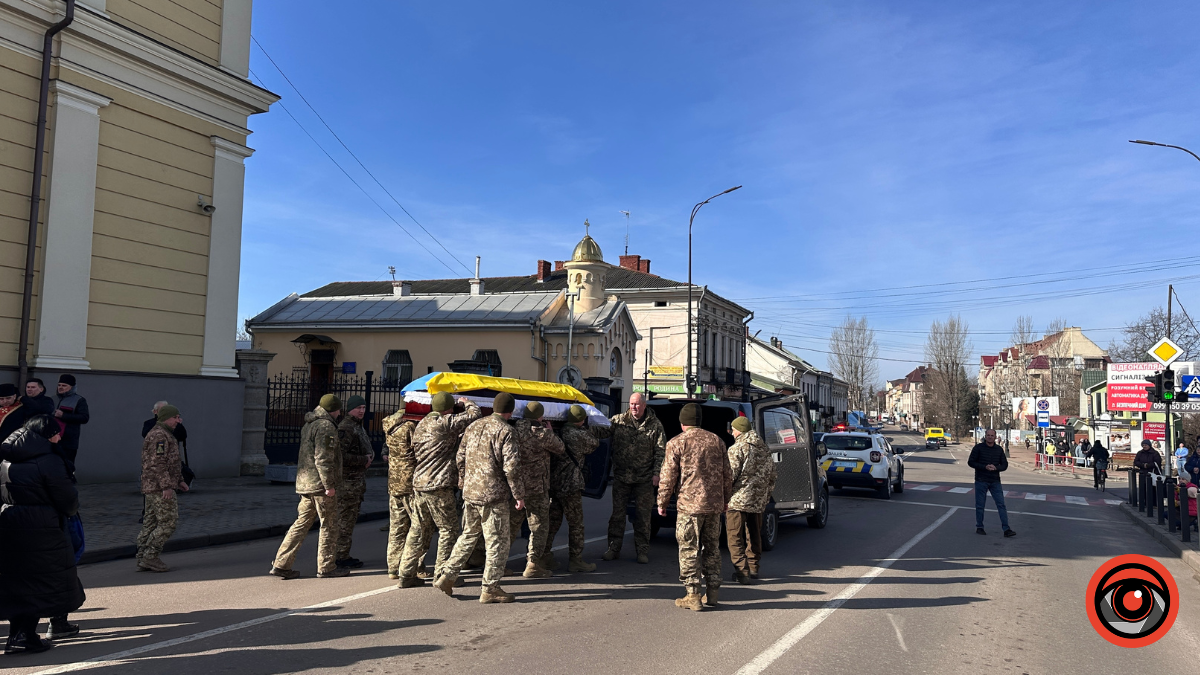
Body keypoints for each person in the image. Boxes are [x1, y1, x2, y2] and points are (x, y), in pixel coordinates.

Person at [0, 416, 86, 654]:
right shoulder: (49, 460)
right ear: (47, 435)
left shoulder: (8, 458)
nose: (60, 437)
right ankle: (24, 636)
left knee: (19, 582)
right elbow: (67, 499)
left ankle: (18, 635)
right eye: (56, 433)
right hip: (43, 527)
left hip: (10, 522)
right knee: (42, 582)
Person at [434, 392, 525, 603]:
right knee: (497, 542)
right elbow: (511, 468)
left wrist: (464, 482)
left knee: (468, 535)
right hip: (493, 495)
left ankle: (447, 575)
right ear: (510, 411)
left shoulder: (473, 426)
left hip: (471, 493)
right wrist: (519, 495)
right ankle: (490, 588)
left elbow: (460, 457)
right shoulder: (506, 431)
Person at [396, 393, 479, 587]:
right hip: (438, 485)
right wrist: (468, 403)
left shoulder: (422, 424)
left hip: (419, 483)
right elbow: (473, 415)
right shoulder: (443, 422)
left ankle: (406, 574)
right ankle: (443, 574)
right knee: (448, 529)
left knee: (418, 530)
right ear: (448, 410)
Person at [658, 403, 732, 611]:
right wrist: (726, 499)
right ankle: (714, 592)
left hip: (689, 506)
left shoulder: (677, 443)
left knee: (689, 548)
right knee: (712, 548)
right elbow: (728, 475)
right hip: (714, 505)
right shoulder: (717, 441)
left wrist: (662, 502)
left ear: (683, 422)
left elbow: (668, 476)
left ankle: (693, 594)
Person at [270, 395, 345, 579]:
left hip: (305, 483)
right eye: (338, 410)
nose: (339, 413)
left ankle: (281, 563)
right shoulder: (326, 426)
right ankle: (327, 567)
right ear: (334, 410)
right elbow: (323, 458)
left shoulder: (309, 423)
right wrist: (329, 485)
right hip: (320, 485)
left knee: (301, 523)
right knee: (329, 524)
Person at [600, 392, 666, 564]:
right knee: (617, 515)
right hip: (622, 477)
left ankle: (642, 550)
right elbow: (601, 431)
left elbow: (660, 451)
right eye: (631, 404)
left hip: (644, 478)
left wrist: (656, 473)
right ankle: (613, 548)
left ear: (644, 405)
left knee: (643, 516)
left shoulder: (655, 425)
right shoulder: (618, 421)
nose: (634, 408)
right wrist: (585, 422)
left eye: (637, 404)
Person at [510, 401, 565, 579]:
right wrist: (549, 430)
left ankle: (498, 562)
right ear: (540, 416)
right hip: (537, 488)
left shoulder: (514, 429)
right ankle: (533, 563)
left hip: (517, 487)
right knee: (539, 526)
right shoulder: (541, 433)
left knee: (511, 525)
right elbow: (560, 447)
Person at [542, 405, 599, 574]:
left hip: (555, 483)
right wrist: (586, 429)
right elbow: (594, 444)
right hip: (571, 485)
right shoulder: (578, 435)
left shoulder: (557, 432)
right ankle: (576, 560)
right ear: (580, 420)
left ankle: (544, 555)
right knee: (576, 524)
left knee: (552, 521)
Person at [135, 405, 189, 571]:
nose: (179, 421)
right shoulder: (160, 435)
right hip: (159, 488)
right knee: (168, 522)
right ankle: (150, 556)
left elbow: (171, 462)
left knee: (150, 524)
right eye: (176, 417)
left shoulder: (164, 434)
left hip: (152, 487)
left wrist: (179, 480)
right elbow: (158, 463)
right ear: (167, 417)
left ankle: (142, 557)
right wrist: (166, 486)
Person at [726, 415, 776, 584]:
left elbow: (729, 476)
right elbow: (772, 476)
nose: (732, 433)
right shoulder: (764, 448)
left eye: (733, 430)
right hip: (758, 501)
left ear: (739, 430)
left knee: (735, 536)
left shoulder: (737, 449)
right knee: (754, 534)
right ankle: (754, 567)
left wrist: (723, 497)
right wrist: (765, 495)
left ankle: (742, 572)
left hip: (737, 501)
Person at [382, 402, 427, 582]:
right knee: (417, 526)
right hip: (410, 482)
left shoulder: (389, 424)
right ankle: (414, 567)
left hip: (394, 481)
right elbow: (420, 452)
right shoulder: (410, 426)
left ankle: (393, 566)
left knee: (397, 527)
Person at [334, 395, 373, 569]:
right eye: (359, 408)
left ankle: (343, 553)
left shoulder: (358, 426)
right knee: (344, 520)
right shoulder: (346, 427)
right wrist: (362, 459)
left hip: (356, 482)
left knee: (349, 520)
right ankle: (339, 556)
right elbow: (339, 456)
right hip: (347, 483)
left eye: (364, 408)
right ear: (349, 409)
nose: (362, 411)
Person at [967, 429, 1014, 537]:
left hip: (995, 481)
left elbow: (1004, 465)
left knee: (1001, 504)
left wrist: (996, 468)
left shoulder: (999, 449)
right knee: (980, 505)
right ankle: (980, 527)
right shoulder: (978, 448)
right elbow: (971, 462)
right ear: (985, 436)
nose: (990, 437)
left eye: (992, 435)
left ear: (995, 437)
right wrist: (984, 467)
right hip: (981, 480)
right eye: (988, 435)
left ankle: (1006, 529)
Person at [52, 375, 88, 468]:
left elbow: (84, 418)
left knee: (67, 466)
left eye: (64, 385)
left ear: (71, 387)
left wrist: (64, 415)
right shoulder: (53, 399)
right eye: (59, 385)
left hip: (68, 441)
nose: (60, 387)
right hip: (52, 438)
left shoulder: (79, 400)